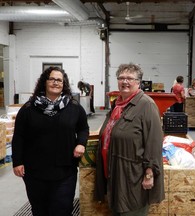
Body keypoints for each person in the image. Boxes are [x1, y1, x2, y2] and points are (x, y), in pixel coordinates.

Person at [12, 66, 89, 216]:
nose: (55, 82)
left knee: (62, 209)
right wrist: (17, 162)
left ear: (64, 84)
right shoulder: (28, 109)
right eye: (52, 79)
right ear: (44, 82)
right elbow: (19, 136)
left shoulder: (73, 107)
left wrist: (81, 143)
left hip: (65, 170)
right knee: (40, 210)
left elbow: (83, 128)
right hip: (35, 171)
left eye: (59, 80)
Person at [95, 63, 165, 215]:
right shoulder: (117, 104)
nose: (125, 81)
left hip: (134, 178)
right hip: (115, 174)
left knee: (131, 210)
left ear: (138, 82)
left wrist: (149, 174)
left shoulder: (146, 105)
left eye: (130, 78)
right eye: (121, 78)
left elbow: (154, 142)